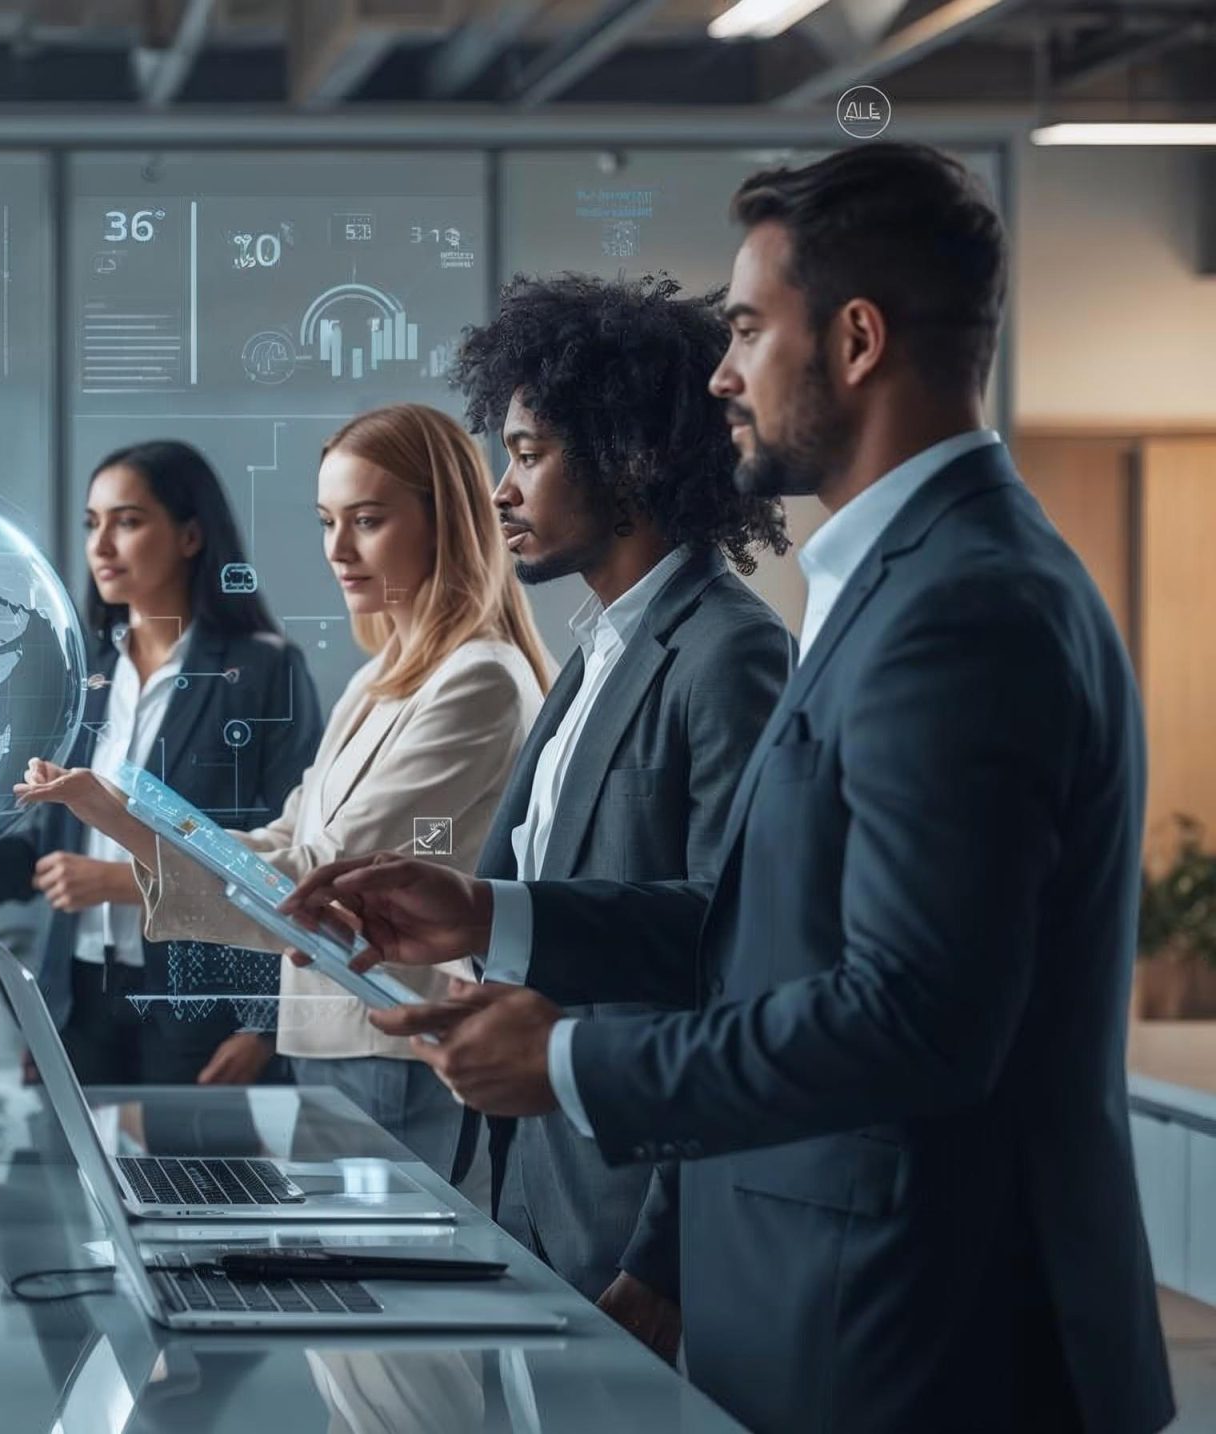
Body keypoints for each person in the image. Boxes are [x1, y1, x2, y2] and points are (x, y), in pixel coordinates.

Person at [285, 144, 1174, 1434]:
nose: (719, 373)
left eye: (750, 328)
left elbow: (917, 1017)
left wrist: (578, 1060)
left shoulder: (963, 602)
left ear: (856, 340)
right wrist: (497, 917)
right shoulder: (897, 579)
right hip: (849, 1314)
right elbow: (755, 929)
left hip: (924, 1335)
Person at [14, 404, 548, 1170]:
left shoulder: (477, 682)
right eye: (327, 521)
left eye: (366, 520)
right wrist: (110, 810)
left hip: (392, 1045)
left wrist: (118, 818)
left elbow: (314, 881)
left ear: (446, 522)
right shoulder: (381, 680)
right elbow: (282, 843)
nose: (338, 549)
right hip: (339, 1041)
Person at [446, 273, 793, 1334]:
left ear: (633, 457)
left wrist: (666, 1260)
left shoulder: (729, 652)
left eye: (531, 452)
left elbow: (735, 963)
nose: (502, 489)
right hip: (530, 1191)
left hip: (633, 1220)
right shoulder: (595, 651)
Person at [0, 440, 323, 1086]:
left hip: (202, 1005)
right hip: (80, 997)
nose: (102, 544)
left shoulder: (262, 670)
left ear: (192, 535)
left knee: (194, 1186)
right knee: (64, 1184)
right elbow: (56, 833)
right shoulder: (82, 672)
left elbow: (289, 857)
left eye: (128, 520)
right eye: (93, 524)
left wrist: (264, 1027)